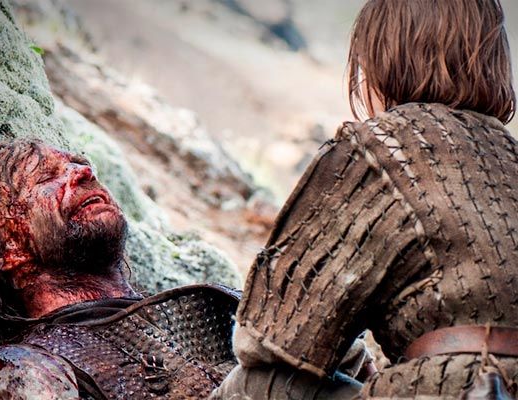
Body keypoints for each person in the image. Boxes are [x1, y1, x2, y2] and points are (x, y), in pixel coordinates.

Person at [213, 0, 518, 398]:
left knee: (260, 384)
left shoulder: (379, 148)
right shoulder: (511, 158)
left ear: (385, 57)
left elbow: (269, 340)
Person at [0, 139, 370, 399]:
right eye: (46, 177)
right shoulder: (22, 369)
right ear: (7, 249)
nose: (83, 172)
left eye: (77, 163)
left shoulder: (219, 307)